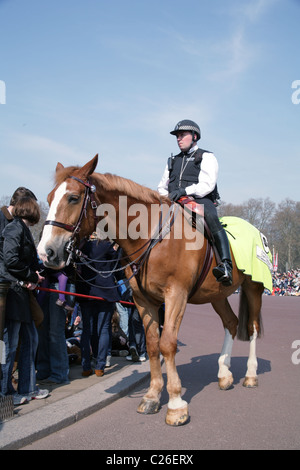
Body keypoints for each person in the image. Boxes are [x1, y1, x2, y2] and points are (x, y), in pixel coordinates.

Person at [158, 119, 233, 286]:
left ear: (194, 136)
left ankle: (226, 265)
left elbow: (208, 184)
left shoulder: (206, 156)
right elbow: (162, 186)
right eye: (177, 136)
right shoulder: (172, 161)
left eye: (182, 135)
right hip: (174, 201)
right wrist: (165, 198)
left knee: (211, 218)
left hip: (199, 200)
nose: (179, 139)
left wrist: (185, 192)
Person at [0, 196, 48, 405]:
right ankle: (5, 395)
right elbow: (10, 260)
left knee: (29, 340)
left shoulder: (20, 229)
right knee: (9, 346)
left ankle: (26, 389)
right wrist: (31, 276)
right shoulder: (15, 229)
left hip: (20, 293)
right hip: (12, 293)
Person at [76, 235, 121, 377]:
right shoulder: (105, 246)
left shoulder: (82, 246)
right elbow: (117, 265)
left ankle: (86, 365)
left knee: (86, 330)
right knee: (103, 329)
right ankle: (100, 366)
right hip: (105, 291)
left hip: (86, 290)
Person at [36, 268, 75, 385]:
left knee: (55, 332)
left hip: (59, 284)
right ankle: (44, 370)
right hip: (47, 283)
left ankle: (59, 373)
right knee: (42, 330)